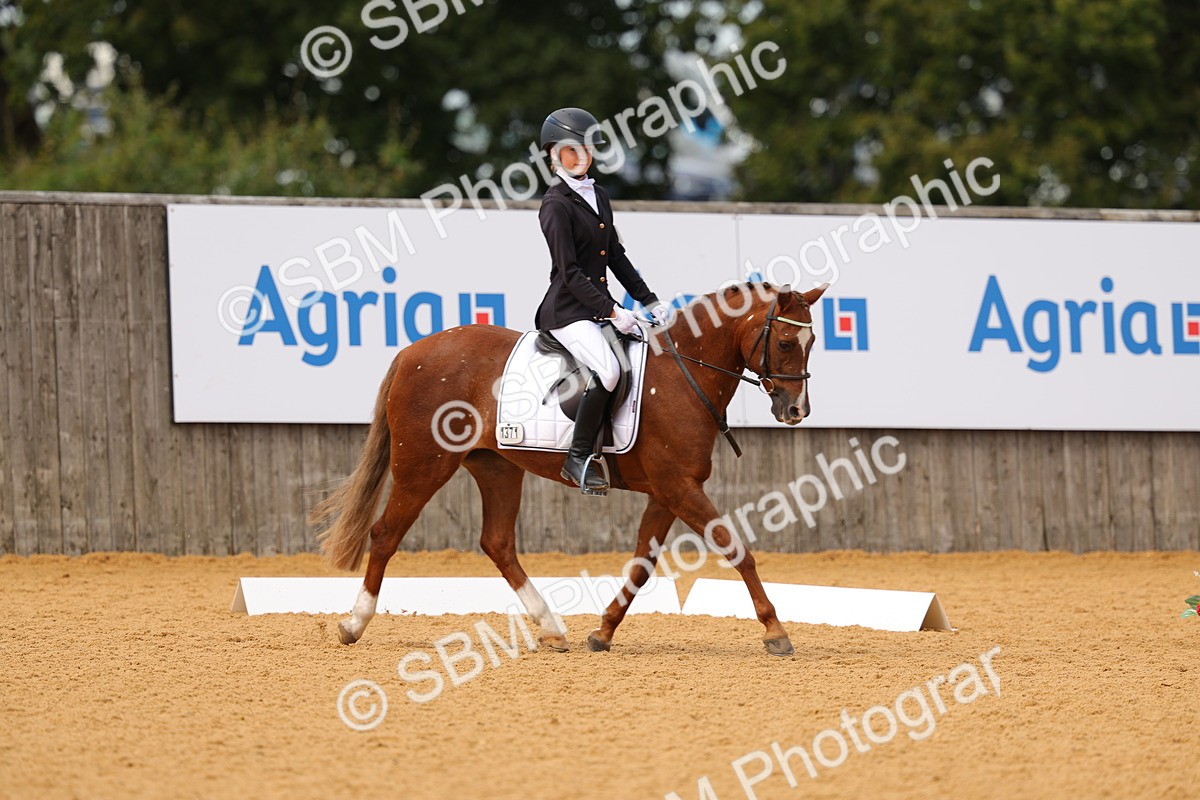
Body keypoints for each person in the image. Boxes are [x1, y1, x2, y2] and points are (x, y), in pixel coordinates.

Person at [534, 107, 672, 494]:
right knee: (609, 371)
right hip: (567, 312)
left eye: (586, 150)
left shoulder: (599, 195)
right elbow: (570, 272)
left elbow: (615, 257)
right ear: (553, 155)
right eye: (571, 151)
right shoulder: (555, 205)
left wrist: (649, 300)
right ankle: (577, 458)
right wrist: (611, 310)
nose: (581, 157)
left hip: (597, 307)